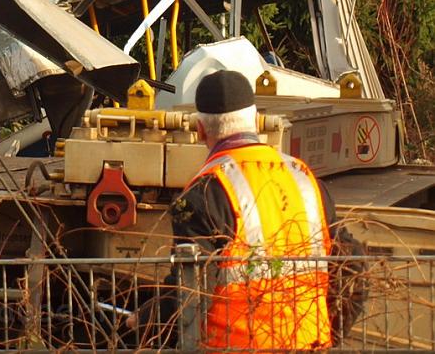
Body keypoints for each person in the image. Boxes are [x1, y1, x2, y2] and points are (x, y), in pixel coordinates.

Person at [128, 70, 365, 350]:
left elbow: (191, 292)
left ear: (201, 130)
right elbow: (354, 265)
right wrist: (331, 333)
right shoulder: (305, 179)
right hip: (309, 344)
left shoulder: (204, 194)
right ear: (255, 120)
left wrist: (144, 319)